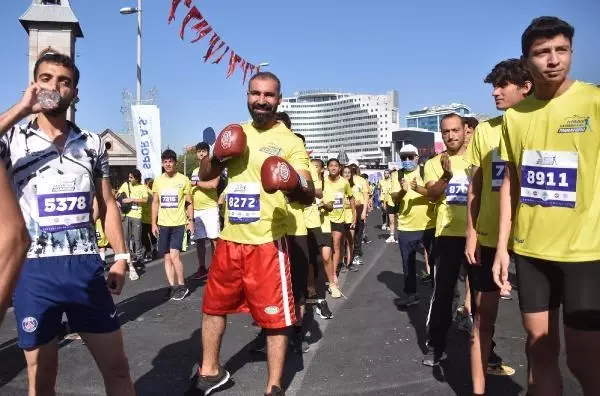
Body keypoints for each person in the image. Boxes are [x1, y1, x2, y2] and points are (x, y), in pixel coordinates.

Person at [0, 53, 134, 395]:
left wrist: (120, 257)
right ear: (34, 84)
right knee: (41, 376)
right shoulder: (12, 139)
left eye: (64, 81)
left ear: (75, 91)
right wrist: (21, 108)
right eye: (45, 78)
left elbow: (106, 203)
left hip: (85, 269)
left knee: (118, 369)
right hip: (33, 272)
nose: (54, 87)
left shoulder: (90, 144)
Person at [493, 17, 600, 396]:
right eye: (542, 52)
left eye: (561, 50)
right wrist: (503, 248)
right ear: (527, 60)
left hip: (584, 254)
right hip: (531, 252)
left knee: (585, 360)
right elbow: (511, 184)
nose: (553, 60)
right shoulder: (514, 117)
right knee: (540, 352)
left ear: (571, 52)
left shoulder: (594, 100)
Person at [192, 72, 314, 396]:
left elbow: (308, 189)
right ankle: (210, 371)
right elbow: (207, 175)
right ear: (248, 95)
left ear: (279, 99)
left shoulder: (290, 141)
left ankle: (274, 386)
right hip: (231, 238)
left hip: (267, 241)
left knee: (275, 319)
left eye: (269, 95)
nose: (261, 100)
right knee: (213, 307)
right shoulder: (235, 133)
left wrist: (291, 179)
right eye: (255, 93)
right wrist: (217, 156)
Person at [464, 58, 533, 394]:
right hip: (490, 237)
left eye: (503, 85)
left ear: (526, 87)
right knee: (482, 320)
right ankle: (479, 389)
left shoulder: (540, 123)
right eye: (493, 85)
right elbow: (475, 189)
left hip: (535, 239)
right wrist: (472, 234)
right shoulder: (486, 131)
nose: (495, 92)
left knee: (539, 330)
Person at [421, 113, 471, 366]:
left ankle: (487, 347)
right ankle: (436, 344)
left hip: (477, 235)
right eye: (445, 132)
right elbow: (432, 193)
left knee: (484, 296)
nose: (450, 136)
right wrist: (446, 175)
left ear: (465, 130)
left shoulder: (478, 158)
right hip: (448, 236)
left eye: (455, 130)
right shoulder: (434, 163)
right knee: (443, 293)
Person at [390, 144, 435, 308]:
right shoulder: (397, 175)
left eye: (410, 157)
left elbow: (433, 193)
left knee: (434, 262)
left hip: (429, 225)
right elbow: (395, 198)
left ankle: (437, 295)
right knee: (408, 264)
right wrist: (403, 191)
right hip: (406, 228)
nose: (407, 160)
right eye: (403, 158)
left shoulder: (425, 171)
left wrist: (418, 189)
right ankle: (411, 294)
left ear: (417, 157)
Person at [151, 149, 193, 301]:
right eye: (165, 161)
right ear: (163, 163)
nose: (168, 164)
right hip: (163, 225)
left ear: (175, 163)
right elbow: (155, 203)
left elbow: (189, 202)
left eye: (170, 161)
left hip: (179, 224)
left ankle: (182, 286)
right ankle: (172, 286)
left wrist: (191, 221)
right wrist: (153, 223)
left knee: (175, 256)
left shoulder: (184, 180)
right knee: (167, 257)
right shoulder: (158, 181)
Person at [305, 158, 334, 319]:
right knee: (301, 263)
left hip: (317, 224)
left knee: (319, 260)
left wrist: (322, 203)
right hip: (292, 224)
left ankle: (322, 299)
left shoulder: (323, 181)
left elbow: (322, 196)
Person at [190, 142, 220, 281]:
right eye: (199, 151)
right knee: (199, 241)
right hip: (196, 211)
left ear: (208, 153)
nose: (201, 154)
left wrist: (196, 183)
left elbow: (213, 185)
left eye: (204, 151)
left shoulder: (214, 168)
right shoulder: (195, 171)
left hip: (210, 209)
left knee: (214, 239)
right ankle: (202, 268)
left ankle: (217, 268)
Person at [324, 159, 355, 288]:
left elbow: (351, 197)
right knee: (327, 246)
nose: (333, 168)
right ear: (327, 168)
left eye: (336, 166)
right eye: (331, 166)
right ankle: (328, 270)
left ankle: (334, 272)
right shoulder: (323, 180)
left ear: (339, 168)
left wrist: (354, 215)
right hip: (325, 218)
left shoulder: (344, 182)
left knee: (336, 244)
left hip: (339, 218)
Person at [117, 169, 150, 279]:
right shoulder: (125, 185)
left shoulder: (142, 187)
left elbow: (145, 200)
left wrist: (132, 199)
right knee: (126, 238)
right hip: (126, 214)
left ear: (137, 178)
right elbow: (118, 194)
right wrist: (118, 201)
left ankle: (139, 258)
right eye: (129, 177)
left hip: (137, 215)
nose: (129, 179)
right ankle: (129, 258)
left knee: (137, 238)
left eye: (131, 177)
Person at [349, 162, 368, 265]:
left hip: (359, 207)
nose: (352, 168)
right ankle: (348, 254)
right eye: (351, 166)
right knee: (348, 232)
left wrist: (364, 211)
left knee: (358, 232)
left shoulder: (361, 180)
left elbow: (365, 196)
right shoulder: (345, 178)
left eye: (354, 166)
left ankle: (357, 254)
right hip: (347, 208)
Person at [141, 178, 156, 261]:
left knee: (145, 236)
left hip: (144, 218)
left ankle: (149, 252)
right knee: (151, 234)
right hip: (150, 217)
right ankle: (153, 249)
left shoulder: (146, 191)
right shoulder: (153, 192)